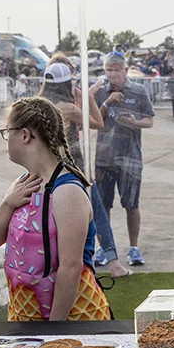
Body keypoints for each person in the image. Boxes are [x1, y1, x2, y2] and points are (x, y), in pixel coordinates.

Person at [0, 96, 112, 321]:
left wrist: (52, 330)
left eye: (7, 132)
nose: (6, 139)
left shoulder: (66, 191)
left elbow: (70, 268)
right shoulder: (23, 183)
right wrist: (7, 204)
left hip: (72, 320)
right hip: (26, 316)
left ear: (25, 135)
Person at [38, 60, 130, 278]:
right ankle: (113, 263)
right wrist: (88, 95)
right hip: (73, 167)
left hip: (45, 168)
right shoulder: (67, 108)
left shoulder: (38, 104)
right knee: (95, 212)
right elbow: (97, 122)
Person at [93, 52, 155, 266]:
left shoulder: (138, 91)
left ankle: (134, 248)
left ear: (125, 71)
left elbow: (149, 120)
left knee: (131, 204)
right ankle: (105, 249)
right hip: (104, 158)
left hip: (130, 158)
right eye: (109, 70)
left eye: (116, 70)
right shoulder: (100, 92)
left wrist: (134, 122)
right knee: (103, 206)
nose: (112, 74)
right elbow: (94, 121)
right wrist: (107, 103)